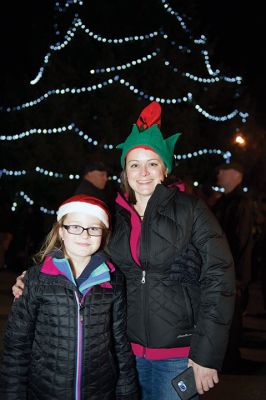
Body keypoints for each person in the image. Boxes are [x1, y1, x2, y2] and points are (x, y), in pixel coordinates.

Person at [12, 102, 235, 400]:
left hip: (179, 355)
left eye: (152, 163)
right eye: (134, 164)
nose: (143, 172)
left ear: (165, 168)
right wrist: (34, 277)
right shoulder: (115, 216)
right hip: (123, 353)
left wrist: (207, 355)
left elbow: (220, 279)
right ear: (124, 171)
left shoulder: (192, 210)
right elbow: (83, 255)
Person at [0, 194, 139, 400]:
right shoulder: (36, 280)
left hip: (100, 391)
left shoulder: (113, 280)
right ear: (60, 232)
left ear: (103, 234)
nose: (84, 235)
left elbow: (120, 344)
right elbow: (16, 347)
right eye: (74, 226)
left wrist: (127, 393)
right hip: (46, 391)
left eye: (93, 228)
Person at [212, 162, 254, 372]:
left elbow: (241, 241)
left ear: (236, 175)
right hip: (223, 270)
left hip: (231, 272)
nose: (219, 172)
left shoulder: (240, 203)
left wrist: (237, 275)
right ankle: (227, 356)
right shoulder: (224, 202)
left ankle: (231, 358)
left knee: (232, 318)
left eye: (224, 170)